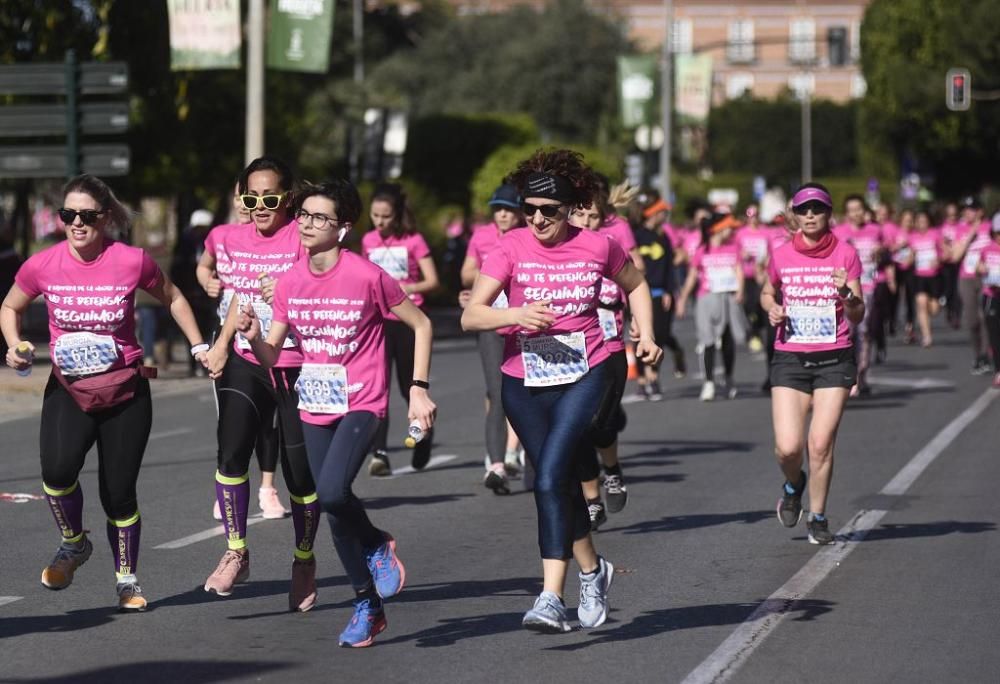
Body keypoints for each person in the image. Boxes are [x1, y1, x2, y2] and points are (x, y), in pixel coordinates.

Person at [462, 149, 661, 633]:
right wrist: (514, 315)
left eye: (547, 211)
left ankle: (551, 597)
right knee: (557, 483)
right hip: (524, 381)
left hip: (584, 372)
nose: (535, 219)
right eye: (528, 209)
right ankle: (594, 572)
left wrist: (647, 334)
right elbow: (472, 315)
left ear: (570, 210)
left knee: (549, 478)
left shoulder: (598, 246)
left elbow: (636, 284)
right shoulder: (509, 248)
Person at [237, 179, 435, 647]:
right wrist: (251, 335)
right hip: (316, 402)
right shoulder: (289, 280)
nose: (306, 223)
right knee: (330, 504)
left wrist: (419, 388)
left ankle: (374, 543)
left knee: (330, 491)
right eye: (303, 214)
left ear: (343, 228)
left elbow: (422, 323)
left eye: (319, 217)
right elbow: (273, 355)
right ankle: (368, 602)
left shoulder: (368, 276)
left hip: (363, 400)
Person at [0, 174, 209, 611]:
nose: (77, 223)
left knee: (118, 492)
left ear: (106, 217)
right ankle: (75, 543)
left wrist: (199, 345)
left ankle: (127, 580)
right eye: (68, 215)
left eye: (87, 216)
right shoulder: (43, 264)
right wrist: (14, 347)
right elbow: (10, 305)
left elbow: (172, 296)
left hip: (125, 390)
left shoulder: (131, 260)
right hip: (69, 388)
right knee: (56, 475)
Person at [201, 157, 320, 609]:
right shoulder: (232, 238)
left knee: (300, 474)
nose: (260, 207)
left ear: (288, 198)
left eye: (270, 198)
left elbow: (330, 285)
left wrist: (292, 289)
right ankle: (235, 552)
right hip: (247, 359)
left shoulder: (305, 235)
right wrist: (222, 344)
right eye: (252, 199)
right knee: (231, 451)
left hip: (298, 364)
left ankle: (304, 559)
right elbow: (238, 297)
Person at [761, 183, 864, 545]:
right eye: (803, 210)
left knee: (819, 443)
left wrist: (846, 293)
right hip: (790, 356)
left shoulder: (846, 254)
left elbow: (858, 311)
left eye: (817, 210)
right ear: (794, 214)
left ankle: (818, 516)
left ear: (827, 214)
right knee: (788, 447)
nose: (809, 216)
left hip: (834, 357)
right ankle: (794, 484)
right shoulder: (780, 254)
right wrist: (771, 307)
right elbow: (767, 290)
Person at [197, 181, 285, 521]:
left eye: (260, 198)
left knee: (269, 419)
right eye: (243, 197)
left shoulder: (272, 240)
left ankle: (267, 487)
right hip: (228, 331)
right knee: (232, 417)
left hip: (270, 332)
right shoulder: (221, 235)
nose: (249, 204)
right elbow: (204, 267)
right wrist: (207, 280)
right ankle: (231, 483)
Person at [568, 195, 639, 527]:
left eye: (593, 216)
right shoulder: (561, 253)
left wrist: (641, 323)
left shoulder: (610, 250)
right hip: (572, 352)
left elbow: (636, 285)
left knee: (601, 424)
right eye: (579, 213)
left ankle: (611, 469)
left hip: (610, 349)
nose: (586, 221)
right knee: (579, 428)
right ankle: (592, 499)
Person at [362, 184, 440, 476]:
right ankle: (379, 453)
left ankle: (423, 433)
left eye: (385, 216)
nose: (379, 222)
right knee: (377, 387)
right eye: (375, 216)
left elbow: (433, 280)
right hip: (377, 323)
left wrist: (407, 288)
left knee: (410, 386)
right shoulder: (368, 240)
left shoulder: (414, 240)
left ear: (397, 215)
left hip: (409, 322)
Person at [460, 184, 525, 493]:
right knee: (496, 392)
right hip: (490, 324)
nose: (502, 214)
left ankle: (519, 452)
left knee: (524, 393)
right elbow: (466, 272)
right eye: (497, 208)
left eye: (509, 209)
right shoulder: (483, 236)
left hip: (524, 327)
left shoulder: (528, 238)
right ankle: (496, 464)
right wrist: (480, 287)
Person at [676, 212, 747, 401]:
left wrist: (740, 290)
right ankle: (708, 382)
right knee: (707, 340)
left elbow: (738, 271)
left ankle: (728, 378)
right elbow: (692, 276)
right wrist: (682, 299)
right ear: (718, 229)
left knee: (728, 340)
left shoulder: (733, 248)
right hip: (707, 299)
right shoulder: (702, 250)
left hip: (728, 298)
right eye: (728, 227)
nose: (731, 230)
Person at [952, 199, 992, 374]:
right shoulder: (960, 229)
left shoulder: (990, 227)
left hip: (987, 277)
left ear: (980, 211)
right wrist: (970, 235)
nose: (968, 213)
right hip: (966, 278)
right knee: (972, 320)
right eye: (966, 210)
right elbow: (955, 256)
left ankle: (985, 356)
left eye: (972, 209)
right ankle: (977, 355)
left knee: (986, 318)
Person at [907, 210, 944, 347]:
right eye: (919, 221)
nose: (921, 224)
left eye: (924, 221)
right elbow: (909, 258)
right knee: (921, 303)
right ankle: (927, 336)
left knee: (934, 309)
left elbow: (945, 252)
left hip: (934, 276)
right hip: (919, 276)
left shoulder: (935, 234)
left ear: (929, 221)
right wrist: (910, 257)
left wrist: (938, 260)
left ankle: (934, 305)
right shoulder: (912, 237)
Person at [976, 217, 1000, 388]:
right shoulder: (987, 249)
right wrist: (981, 268)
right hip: (991, 295)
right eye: (998, 233)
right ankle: (999, 370)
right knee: (994, 333)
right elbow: (978, 266)